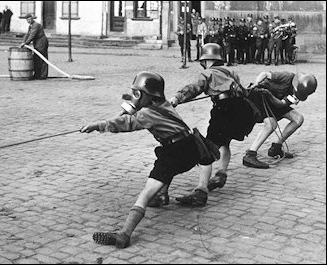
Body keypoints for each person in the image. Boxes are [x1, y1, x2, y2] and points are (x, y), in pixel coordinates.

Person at [80, 71, 219, 248]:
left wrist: (98, 125)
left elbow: (126, 123)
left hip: (174, 151)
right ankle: (163, 195)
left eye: (138, 94)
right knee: (166, 166)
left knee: (146, 192)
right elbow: (132, 114)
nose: (135, 98)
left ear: (147, 95)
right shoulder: (165, 104)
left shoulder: (146, 114)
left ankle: (124, 234)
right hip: (189, 147)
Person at [168, 43, 259, 203]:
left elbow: (194, 88)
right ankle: (221, 174)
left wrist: (177, 98)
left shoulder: (207, 73)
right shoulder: (231, 71)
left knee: (207, 149)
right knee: (225, 143)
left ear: (206, 60)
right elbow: (243, 91)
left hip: (224, 110)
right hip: (241, 108)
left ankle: (201, 191)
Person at [242, 71, 317, 168]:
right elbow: (264, 74)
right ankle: (250, 155)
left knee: (298, 119)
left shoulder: (300, 94)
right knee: (271, 124)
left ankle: (276, 148)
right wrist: (257, 84)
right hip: (259, 97)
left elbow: (281, 104)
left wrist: (270, 95)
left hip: (274, 100)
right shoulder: (287, 77)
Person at [20, 13, 49, 80]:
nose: (29, 21)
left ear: (32, 18)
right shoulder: (30, 26)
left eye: (30, 19)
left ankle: (43, 75)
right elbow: (27, 34)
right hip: (37, 42)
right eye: (27, 20)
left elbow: (32, 35)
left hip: (41, 41)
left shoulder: (36, 25)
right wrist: (23, 42)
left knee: (41, 58)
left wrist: (26, 43)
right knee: (36, 58)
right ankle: (37, 74)